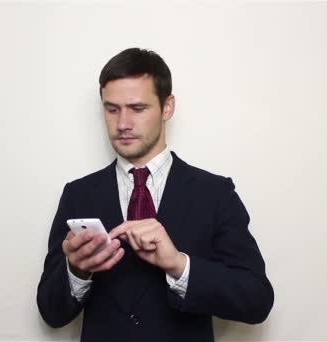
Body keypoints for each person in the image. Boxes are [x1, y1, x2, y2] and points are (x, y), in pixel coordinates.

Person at [36, 48, 274, 342]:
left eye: (137, 109)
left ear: (167, 107)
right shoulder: (78, 194)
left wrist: (179, 265)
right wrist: (76, 271)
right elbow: (50, 311)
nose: (122, 123)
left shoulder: (215, 193)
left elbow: (257, 300)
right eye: (112, 109)